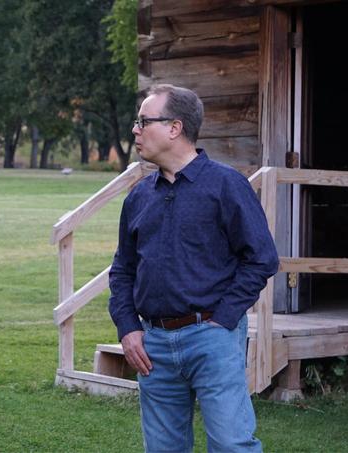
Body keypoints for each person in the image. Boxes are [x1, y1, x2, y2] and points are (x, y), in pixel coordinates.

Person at [108, 84, 279, 453]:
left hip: (212, 337)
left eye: (143, 121)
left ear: (174, 127)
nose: (135, 130)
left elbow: (261, 258)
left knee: (231, 445)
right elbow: (122, 269)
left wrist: (224, 318)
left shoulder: (226, 185)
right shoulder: (139, 196)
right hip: (152, 346)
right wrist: (128, 328)